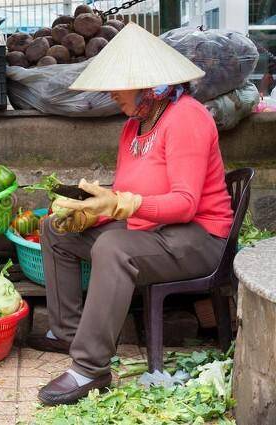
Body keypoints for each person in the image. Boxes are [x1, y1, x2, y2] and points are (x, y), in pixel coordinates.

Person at [28, 23, 233, 406]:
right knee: (55, 230)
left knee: (114, 247)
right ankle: (69, 334)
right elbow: (125, 194)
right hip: (154, 230)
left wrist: (123, 206)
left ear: (148, 84)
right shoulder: (133, 127)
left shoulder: (187, 117)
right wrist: (93, 212)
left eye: (118, 85)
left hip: (199, 238)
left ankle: (90, 368)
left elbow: (185, 203)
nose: (111, 93)